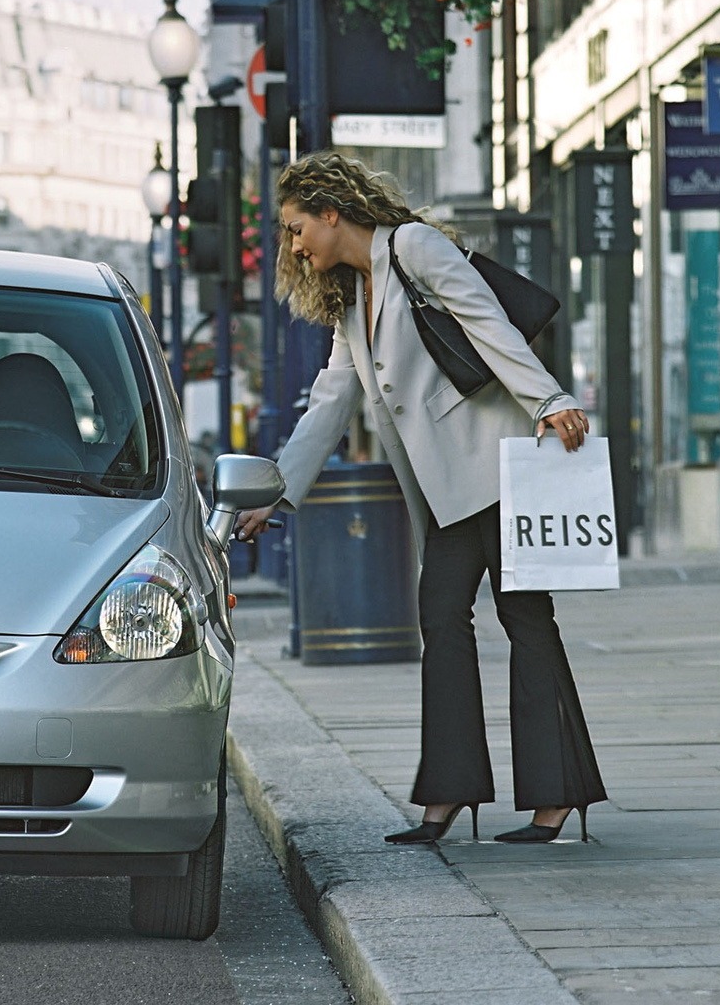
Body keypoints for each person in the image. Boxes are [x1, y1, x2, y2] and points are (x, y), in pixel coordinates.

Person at [236, 152, 606, 844]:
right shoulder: (351, 300)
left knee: (525, 618)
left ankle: (555, 798)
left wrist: (549, 397)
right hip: (443, 489)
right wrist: (276, 492)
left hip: (497, 468)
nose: (292, 245)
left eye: (294, 228)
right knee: (441, 618)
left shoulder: (414, 248)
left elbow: (489, 323)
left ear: (331, 212)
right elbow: (330, 401)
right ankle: (449, 794)